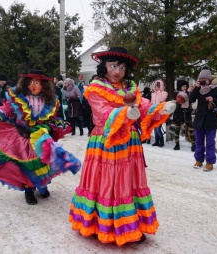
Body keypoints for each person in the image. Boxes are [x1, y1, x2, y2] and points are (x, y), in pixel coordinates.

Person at [68, 47, 176, 246]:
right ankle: (99, 224)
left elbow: (142, 105)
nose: (118, 71)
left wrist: (160, 109)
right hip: (106, 141)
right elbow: (102, 113)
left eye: (122, 67)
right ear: (104, 66)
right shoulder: (95, 88)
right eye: (113, 65)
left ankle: (130, 226)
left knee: (128, 182)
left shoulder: (129, 87)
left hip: (129, 143)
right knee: (106, 181)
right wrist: (124, 114)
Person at [0, 70, 81, 205]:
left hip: (39, 137)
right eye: (31, 82)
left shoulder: (50, 102)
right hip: (22, 136)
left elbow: (54, 117)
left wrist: (57, 125)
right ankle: (29, 190)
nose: (34, 85)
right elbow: (7, 111)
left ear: (44, 85)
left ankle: (42, 186)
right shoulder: (18, 98)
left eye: (37, 83)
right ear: (25, 84)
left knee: (41, 162)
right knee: (25, 165)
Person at [189, 66, 217, 171]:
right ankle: (199, 160)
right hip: (199, 120)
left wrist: (213, 99)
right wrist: (196, 88)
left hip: (211, 120)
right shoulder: (198, 89)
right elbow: (191, 100)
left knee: (210, 143)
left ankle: (210, 162)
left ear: (209, 79)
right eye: (200, 80)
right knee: (199, 142)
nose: (203, 82)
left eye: (204, 80)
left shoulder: (216, 90)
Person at [173, 80, 195, 151]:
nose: (185, 88)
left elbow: (192, 100)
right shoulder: (176, 93)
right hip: (179, 113)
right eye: (183, 86)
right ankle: (177, 144)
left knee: (191, 129)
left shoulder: (188, 93)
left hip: (187, 113)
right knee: (177, 129)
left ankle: (194, 144)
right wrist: (188, 92)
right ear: (179, 86)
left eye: (186, 86)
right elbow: (181, 98)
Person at [150, 79, 168, 147]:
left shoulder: (164, 93)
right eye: (156, 86)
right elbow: (151, 103)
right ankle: (156, 141)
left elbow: (161, 99)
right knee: (155, 128)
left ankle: (161, 142)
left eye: (158, 86)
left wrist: (159, 92)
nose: (156, 87)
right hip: (154, 112)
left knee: (158, 128)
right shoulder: (153, 94)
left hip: (160, 112)